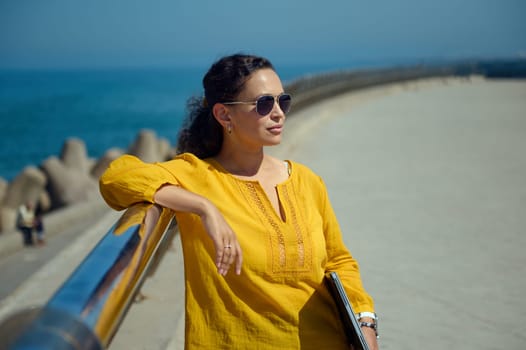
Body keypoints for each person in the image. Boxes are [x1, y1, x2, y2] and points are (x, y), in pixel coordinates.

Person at [100, 54, 379, 349]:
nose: (278, 113)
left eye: (282, 101)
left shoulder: (307, 182)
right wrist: (203, 206)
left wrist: (365, 322)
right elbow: (115, 178)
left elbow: (339, 261)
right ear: (224, 115)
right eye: (263, 104)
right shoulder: (199, 177)